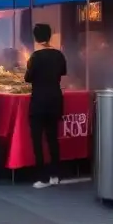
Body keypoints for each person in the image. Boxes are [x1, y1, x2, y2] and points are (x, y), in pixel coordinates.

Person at [24, 23, 67, 189]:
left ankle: (42, 177)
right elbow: (62, 72)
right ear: (49, 36)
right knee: (52, 138)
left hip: (39, 100)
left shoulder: (35, 57)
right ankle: (55, 174)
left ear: (35, 38)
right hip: (56, 98)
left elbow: (28, 78)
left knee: (37, 139)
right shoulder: (59, 55)